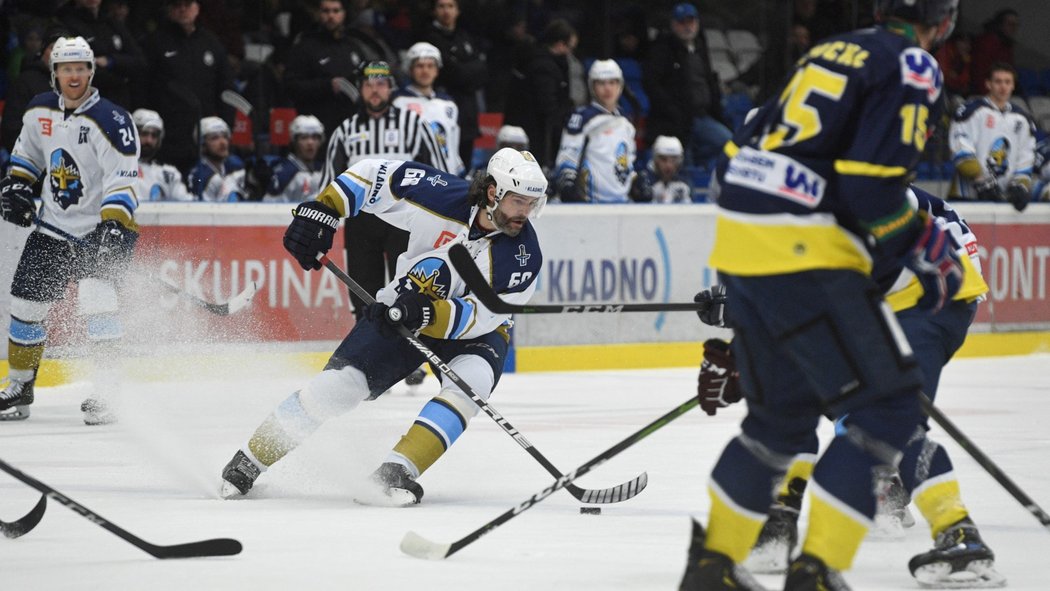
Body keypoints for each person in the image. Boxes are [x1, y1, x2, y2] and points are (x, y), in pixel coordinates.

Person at [677, 1, 961, 589]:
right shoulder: (913, 64)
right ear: (944, 20)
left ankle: (713, 568)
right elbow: (872, 188)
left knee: (778, 426)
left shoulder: (828, 51)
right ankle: (817, 570)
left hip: (739, 240)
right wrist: (923, 243)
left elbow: (742, 152)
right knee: (888, 408)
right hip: (806, 247)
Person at [218, 148, 548, 505]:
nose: (525, 214)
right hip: (403, 308)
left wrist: (428, 314)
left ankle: (397, 470)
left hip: (473, 332)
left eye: (532, 204)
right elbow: (374, 174)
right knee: (338, 387)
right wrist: (326, 208)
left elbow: (481, 316)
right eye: (518, 201)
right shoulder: (438, 194)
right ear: (492, 192)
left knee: (469, 385)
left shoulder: (523, 256)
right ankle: (249, 462)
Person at [716, 187, 1002, 588]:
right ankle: (781, 524)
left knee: (887, 418)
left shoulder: (851, 186)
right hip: (907, 301)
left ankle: (959, 535)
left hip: (926, 303)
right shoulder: (812, 190)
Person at [0, 37, 140, 424]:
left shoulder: (113, 120)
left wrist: (112, 227)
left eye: (80, 68)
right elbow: (26, 155)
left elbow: (122, 179)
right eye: (66, 69)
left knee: (98, 301)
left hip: (105, 228)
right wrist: (17, 186)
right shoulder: (38, 111)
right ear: (55, 73)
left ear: (91, 72)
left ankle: (108, 393)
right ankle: (20, 387)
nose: (73, 75)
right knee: (26, 306)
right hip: (55, 228)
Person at [139, 0, 235, 175]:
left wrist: (226, 126)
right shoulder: (154, 43)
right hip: (167, 136)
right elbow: (142, 87)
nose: (183, 9)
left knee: (201, 184)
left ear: (197, 8)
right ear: (169, 9)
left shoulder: (211, 43)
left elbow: (226, 89)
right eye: (177, 5)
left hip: (202, 135)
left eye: (187, 4)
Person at [643, 2, 732, 169]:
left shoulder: (700, 46)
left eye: (690, 22)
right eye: (682, 22)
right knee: (685, 168)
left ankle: (695, 158)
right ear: (673, 24)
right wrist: (672, 111)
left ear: (697, 23)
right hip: (675, 122)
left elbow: (708, 80)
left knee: (728, 142)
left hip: (702, 116)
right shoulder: (661, 49)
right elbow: (651, 84)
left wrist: (716, 110)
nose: (687, 27)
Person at [553, 59, 649, 203]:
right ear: (592, 86)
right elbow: (567, 158)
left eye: (612, 82)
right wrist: (568, 186)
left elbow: (625, 163)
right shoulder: (581, 118)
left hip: (622, 204)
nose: (607, 88)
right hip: (590, 204)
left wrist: (636, 181)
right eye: (601, 83)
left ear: (620, 85)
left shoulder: (625, 123)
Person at [948, 62, 1034, 212]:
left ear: (1013, 85)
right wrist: (980, 179)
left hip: (1003, 198)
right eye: (998, 81)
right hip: (966, 196)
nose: (1003, 87)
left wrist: (1019, 185)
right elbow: (960, 145)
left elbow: (1026, 156)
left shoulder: (1022, 118)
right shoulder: (971, 110)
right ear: (988, 84)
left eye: (1007, 82)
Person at [283, 0, 372, 141]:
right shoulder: (305, 47)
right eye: (326, 11)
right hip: (317, 130)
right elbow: (290, 86)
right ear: (319, 14)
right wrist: (327, 86)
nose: (331, 16)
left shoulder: (353, 47)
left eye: (336, 11)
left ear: (344, 14)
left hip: (351, 128)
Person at [420, 0, 487, 172]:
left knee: (464, 166)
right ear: (434, 11)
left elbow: (482, 71)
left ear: (457, 11)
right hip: (438, 112)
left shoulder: (466, 36)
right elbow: (452, 74)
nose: (446, 11)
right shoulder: (429, 37)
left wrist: (463, 71)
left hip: (467, 113)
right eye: (441, 6)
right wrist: (467, 70)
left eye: (450, 6)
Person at [503, 19, 578, 170]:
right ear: (560, 44)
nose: (570, 52)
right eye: (570, 47)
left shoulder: (542, 61)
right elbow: (547, 106)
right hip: (535, 133)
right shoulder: (544, 67)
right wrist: (565, 110)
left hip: (533, 129)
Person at [392, 41, 465, 176]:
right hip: (412, 176)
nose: (425, 70)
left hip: (445, 176)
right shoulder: (397, 101)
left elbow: (453, 145)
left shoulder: (449, 104)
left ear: (437, 70)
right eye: (420, 66)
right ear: (410, 69)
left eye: (430, 66)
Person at [58, 0, 146, 109]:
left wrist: (111, 61)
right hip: (86, 103)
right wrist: (122, 74)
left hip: (120, 101)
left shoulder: (112, 23)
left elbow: (140, 61)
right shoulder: (66, 24)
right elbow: (77, 69)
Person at [133, 108, 193, 202]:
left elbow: (187, 204)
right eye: (144, 134)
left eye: (154, 135)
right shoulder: (119, 167)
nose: (149, 140)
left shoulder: (169, 173)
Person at [262, 115, 325, 203]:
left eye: (315, 137)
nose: (310, 142)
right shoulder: (285, 173)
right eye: (304, 137)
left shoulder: (323, 170)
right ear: (294, 141)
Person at [187, 116, 246, 202]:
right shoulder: (199, 175)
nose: (223, 142)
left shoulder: (234, 166)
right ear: (202, 145)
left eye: (225, 136)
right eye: (214, 138)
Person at [970, 9, 1018, 95]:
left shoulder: (1007, 45)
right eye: (1010, 24)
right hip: (984, 93)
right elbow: (979, 72)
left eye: (1015, 25)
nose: (1013, 28)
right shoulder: (986, 42)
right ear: (1000, 24)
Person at [643, 135, 693, 204]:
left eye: (674, 160)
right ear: (655, 160)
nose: (668, 165)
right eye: (663, 159)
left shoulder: (685, 185)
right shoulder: (644, 184)